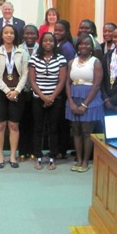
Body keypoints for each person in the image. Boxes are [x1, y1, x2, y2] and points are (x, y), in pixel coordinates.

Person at [0, 25, 28, 169]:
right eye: (6, 32)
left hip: (17, 93)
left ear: (15, 35)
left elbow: (25, 74)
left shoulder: (21, 52)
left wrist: (17, 91)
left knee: (14, 125)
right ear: (2, 35)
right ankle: (0, 155)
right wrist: (7, 91)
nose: (9, 35)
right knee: (0, 125)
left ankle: (12, 155)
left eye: (11, 33)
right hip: (0, 93)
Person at [66, 34, 104, 172]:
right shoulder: (72, 62)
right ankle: (79, 159)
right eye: (81, 44)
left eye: (87, 44)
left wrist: (85, 104)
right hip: (74, 98)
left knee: (87, 131)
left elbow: (97, 85)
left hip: (90, 99)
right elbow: (67, 83)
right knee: (76, 130)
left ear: (92, 46)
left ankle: (86, 161)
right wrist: (70, 101)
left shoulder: (96, 62)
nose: (84, 46)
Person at [29, 32, 67, 170]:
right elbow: (32, 81)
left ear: (54, 43)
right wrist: (43, 97)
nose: (48, 43)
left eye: (51, 41)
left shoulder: (61, 59)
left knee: (53, 129)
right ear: (41, 42)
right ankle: (38, 157)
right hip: (38, 98)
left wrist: (51, 97)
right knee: (38, 128)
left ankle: (52, 157)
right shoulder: (34, 58)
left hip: (55, 99)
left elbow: (62, 81)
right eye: (45, 41)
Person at [54, 19, 76, 159]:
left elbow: (68, 69)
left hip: (63, 88)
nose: (57, 32)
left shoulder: (67, 47)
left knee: (62, 121)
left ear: (66, 31)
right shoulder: (57, 44)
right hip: (57, 86)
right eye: (55, 30)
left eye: (60, 30)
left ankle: (62, 150)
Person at [18, 24, 39, 161]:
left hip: (38, 91)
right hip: (22, 90)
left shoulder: (41, 48)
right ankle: (22, 151)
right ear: (23, 35)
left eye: (32, 33)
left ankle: (33, 150)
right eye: (27, 33)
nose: (29, 36)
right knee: (22, 122)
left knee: (35, 122)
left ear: (37, 35)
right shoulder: (18, 49)